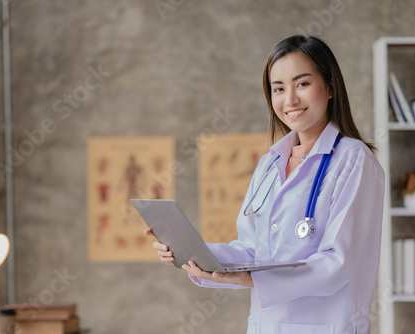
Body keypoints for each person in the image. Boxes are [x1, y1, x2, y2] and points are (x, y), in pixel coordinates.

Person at [144, 35, 385, 334]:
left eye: (303, 84)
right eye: (279, 89)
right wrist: (191, 251)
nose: (290, 99)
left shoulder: (353, 160)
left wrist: (251, 279)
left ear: (331, 87)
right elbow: (253, 250)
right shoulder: (269, 165)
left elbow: (339, 263)